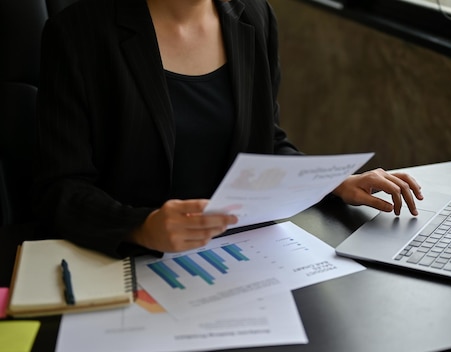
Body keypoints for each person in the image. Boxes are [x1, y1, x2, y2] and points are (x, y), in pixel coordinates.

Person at [33, 0, 423, 259]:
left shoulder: (253, 17)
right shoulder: (77, 33)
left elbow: (265, 143)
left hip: (242, 258)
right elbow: (61, 187)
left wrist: (332, 182)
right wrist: (140, 227)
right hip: (133, 264)